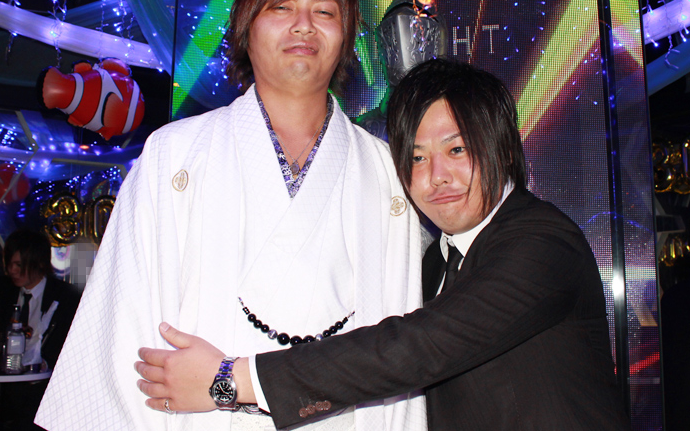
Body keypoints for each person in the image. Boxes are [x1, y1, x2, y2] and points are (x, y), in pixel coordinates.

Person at [36, 0, 426, 431]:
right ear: (245, 28)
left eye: (324, 11)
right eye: (281, 7)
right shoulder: (173, 156)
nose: (303, 24)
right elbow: (125, 331)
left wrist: (225, 381)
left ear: (347, 36)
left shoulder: (387, 174)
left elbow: (398, 350)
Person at [135, 58, 631, 430]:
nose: (436, 176)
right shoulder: (431, 264)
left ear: (500, 148)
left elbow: (417, 346)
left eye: (456, 149)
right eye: (416, 158)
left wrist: (230, 379)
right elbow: (375, 368)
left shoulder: (543, 243)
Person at [0, 229, 80, 431]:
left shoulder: (66, 297)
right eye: (9, 264)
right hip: (5, 389)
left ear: (39, 263)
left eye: (19, 265)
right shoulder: (2, 291)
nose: (12, 270)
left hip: (45, 391)